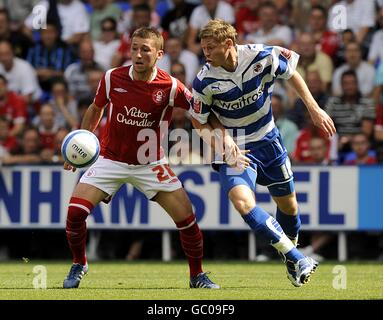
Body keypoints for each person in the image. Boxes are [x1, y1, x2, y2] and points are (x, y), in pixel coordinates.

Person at [62, 27, 219, 290]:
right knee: (75, 213)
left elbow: (199, 112)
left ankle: (197, 276)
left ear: (158, 54)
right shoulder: (112, 77)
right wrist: (80, 145)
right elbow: (96, 108)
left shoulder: (170, 86)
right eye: (134, 48)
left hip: (151, 163)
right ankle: (79, 263)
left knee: (187, 219)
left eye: (145, 49)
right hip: (110, 159)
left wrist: (220, 142)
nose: (137, 54)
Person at [190, 19, 336, 287]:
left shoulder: (262, 55)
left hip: (268, 141)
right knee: (243, 202)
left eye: (211, 48)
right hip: (236, 149)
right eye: (203, 48)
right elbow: (198, 121)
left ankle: (293, 261)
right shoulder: (204, 80)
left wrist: (314, 109)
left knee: (289, 206)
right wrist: (223, 146)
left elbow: (291, 72)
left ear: (229, 44)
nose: (206, 53)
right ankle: (297, 257)